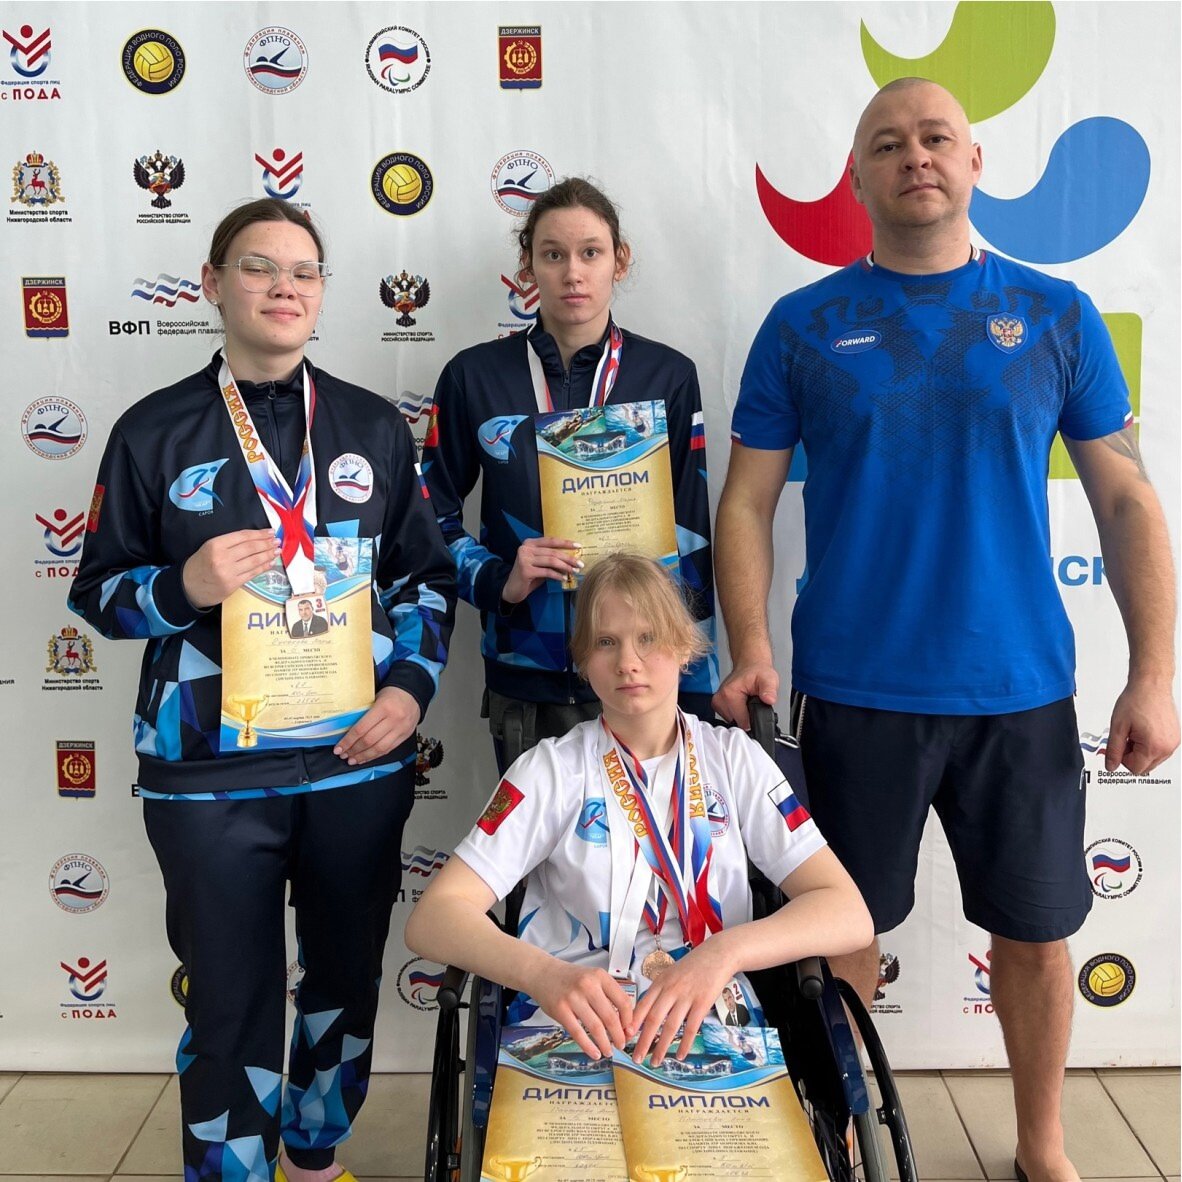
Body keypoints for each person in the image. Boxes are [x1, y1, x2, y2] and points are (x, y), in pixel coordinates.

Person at [712, 79, 1179, 1182]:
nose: (914, 156)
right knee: (838, 934)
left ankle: (1042, 1147)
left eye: (935, 138)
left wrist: (1155, 673)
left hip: (1020, 691)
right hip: (853, 690)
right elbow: (744, 502)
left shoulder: (1057, 314)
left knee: (1038, 935)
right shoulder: (802, 325)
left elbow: (1126, 499)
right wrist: (751, 649)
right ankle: (836, 1142)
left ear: (975, 162)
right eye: (887, 143)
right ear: (857, 176)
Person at [69, 198, 456, 1182]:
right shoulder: (154, 430)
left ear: (321, 293)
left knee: (343, 986)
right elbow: (97, 594)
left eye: (304, 271)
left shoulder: (371, 425)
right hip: (208, 774)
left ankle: (316, 1158)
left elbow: (423, 578)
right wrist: (181, 587)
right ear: (212, 284)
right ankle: (232, 1173)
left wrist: (411, 689)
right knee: (229, 1000)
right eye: (258, 267)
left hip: (353, 762)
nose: (284, 286)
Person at [405, 553, 872, 1066]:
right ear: (584, 660)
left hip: (714, 1020)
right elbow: (433, 919)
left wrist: (725, 952)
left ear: (684, 646)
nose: (628, 661)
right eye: (606, 642)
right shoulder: (549, 770)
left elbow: (847, 913)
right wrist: (543, 974)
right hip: (570, 1023)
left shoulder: (736, 760)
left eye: (647, 638)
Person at [422, 177, 718, 771]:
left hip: (646, 676)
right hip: (529, 676)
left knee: (656, 832)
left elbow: (692, 531)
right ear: (528, 266)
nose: (573, 273)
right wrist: (499, 579)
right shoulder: (474, 376)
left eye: (591, 253)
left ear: (619, 260)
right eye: (553, 255)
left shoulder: (668, 376)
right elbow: (427, 517)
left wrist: (696, 679)